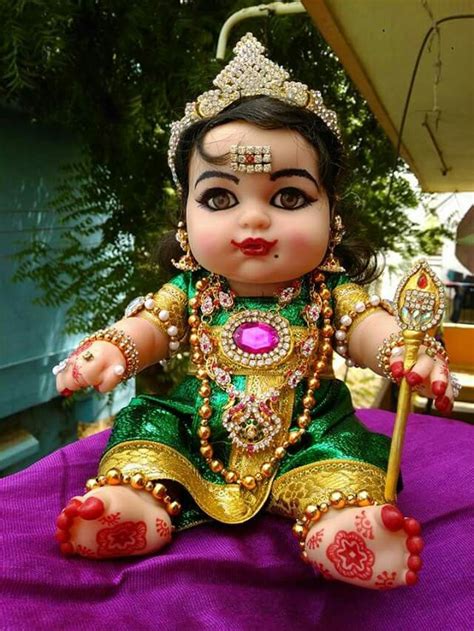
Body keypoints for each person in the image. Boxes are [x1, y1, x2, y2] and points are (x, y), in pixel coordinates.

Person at [53, 34, 454, 589]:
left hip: (307, 436)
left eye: (288, 198)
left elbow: (371, 330)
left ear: (332, 216)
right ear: (185, 220)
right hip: (201, 434)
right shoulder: (192, 291)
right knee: (145, 438)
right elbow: (150, 327)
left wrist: (404, 354)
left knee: (349, 461)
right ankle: (133, 506)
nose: (254, 221)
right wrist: (114, 346)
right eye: (220, 198)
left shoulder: (329, 293)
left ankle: (343, 531)